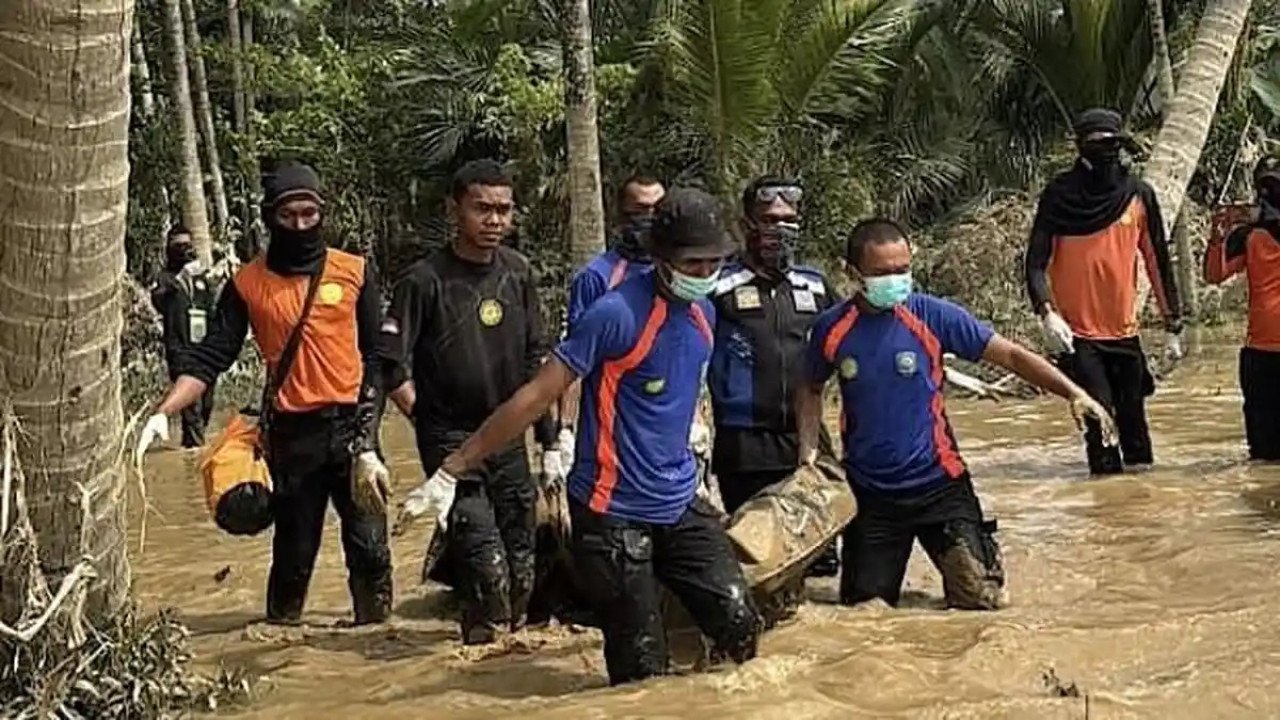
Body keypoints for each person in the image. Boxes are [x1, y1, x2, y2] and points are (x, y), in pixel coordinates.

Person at [399, 187, 760, 685]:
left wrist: (700, 458)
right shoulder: (616, 314)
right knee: (641, 673)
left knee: (740, 625)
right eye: (692, 263)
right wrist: (455, 466)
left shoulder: (706, 312)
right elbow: (536, 394)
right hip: (613, 512)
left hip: (679, 499)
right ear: (661, 257)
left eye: (713, 263)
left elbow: (683, 388)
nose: (704, 275)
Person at [798, 218, 1116, 610]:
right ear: (853, 273)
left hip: (941, 485)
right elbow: (809, 388)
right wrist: (808, 453)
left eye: (902, 270)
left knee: (982, 603)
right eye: (882, 273)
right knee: (866, 614)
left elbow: (1013, 355)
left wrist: (1074, 393)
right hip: (872, 495)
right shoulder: (832, 329)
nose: (895, 280)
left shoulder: (933, 316)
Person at [135, 162, 393, 626]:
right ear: (270, 217)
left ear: (322, 214)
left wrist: (378, 440)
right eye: (288, 215)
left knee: (371, 551)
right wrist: (164, 411)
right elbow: (212, 356)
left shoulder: (354, 272)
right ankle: (283, 633)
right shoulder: (247, 284)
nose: (299, 225)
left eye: (309, 215)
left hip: (357, 429)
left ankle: (374, 642)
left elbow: (379, 357)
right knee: (294, 555)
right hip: (294, 438)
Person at [383, 160, 560, 645]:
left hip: (509, 435)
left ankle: (509, 668)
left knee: (524, 561)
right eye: (482, 208)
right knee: (486, 564)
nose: (494, 220)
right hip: (451, 441)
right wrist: (424, 418)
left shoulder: (518, 273)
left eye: (503, 210)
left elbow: (537, 361)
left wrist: (550, 443)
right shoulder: (423, 281)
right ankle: (481, 644)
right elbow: (389, 366)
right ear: (454, 209)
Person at [1025, 107, 1184, 476]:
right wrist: (1047, 311)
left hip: (1126, 333)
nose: (1103, 150)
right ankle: (1104, 506)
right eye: (1094, 143)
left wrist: (1172, 323)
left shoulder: (1138, 195)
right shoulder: (1059, 197)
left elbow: (1157, 261)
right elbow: (1035, 263)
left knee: (1136, 431)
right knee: (1099, 424)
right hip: (1078, 337)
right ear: (1079, 147)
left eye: (1109, 143)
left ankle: (1138, 515)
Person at [708, 177, 839, 580]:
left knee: (820, 565)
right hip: (745, 443)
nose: (779, 229)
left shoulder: (815, 287)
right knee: (759, 563)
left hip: (808, 443)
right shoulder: (716, 286)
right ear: (747, 223)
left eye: (788, 219)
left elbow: (852, 351)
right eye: (768, 219)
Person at [1203, 155, 1280, 462]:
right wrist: (1217, 235)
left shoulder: (1251, 230)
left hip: (1259, 352)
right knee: (1261, 454)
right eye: (1265, 185)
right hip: (1259, 353)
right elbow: (1214, 275)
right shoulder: (1247, 235)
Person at [149, 225, 220, 448]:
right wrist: (179, 279)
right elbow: (158, 301)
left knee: (207, 404)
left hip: (204, 349)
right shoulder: (166, 280)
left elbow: (211, 308)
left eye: (187, 245)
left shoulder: (201, 279)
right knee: (192, 410)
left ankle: (193, 444)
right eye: (178, 246)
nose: (183, 250)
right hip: (181, 350)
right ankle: (194, 453)